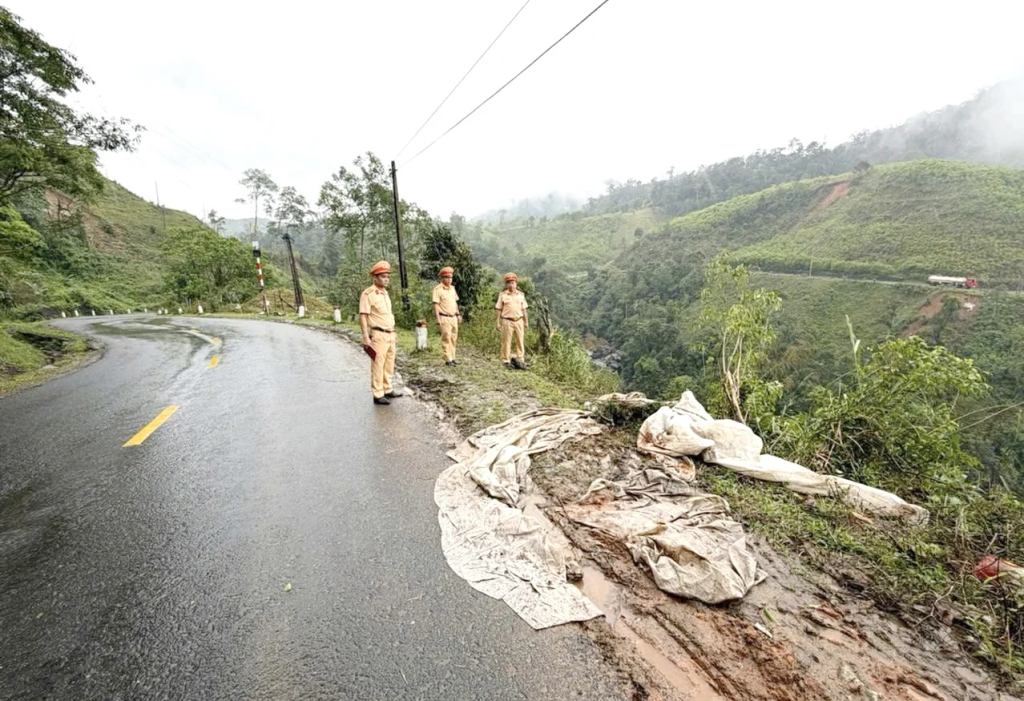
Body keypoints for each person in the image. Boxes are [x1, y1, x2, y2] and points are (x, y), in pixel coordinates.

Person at [359, 260, 400, 405]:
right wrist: (365, 336)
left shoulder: (385, 293)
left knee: (389, 363)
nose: (386, 279)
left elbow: (387, 315)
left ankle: (387, 388)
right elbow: (363, 315)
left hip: (389, 334)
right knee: (378, 364)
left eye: (387, 277)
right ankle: (378, 393)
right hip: (378, 334)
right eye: (383, 276)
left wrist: (393, 331)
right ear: (375, 277)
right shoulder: (368, 294)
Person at [495, 272, 528, 369]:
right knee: (506, 341)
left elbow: (524, 309)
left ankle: (520, 359)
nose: (511, 285)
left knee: (520, 341)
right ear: (506, 284)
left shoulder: (521, 295)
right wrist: (497, 322)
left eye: (513, 283)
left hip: (519, 320)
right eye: (509, 283)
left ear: (516, 283)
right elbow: (498, 309)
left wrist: (526, 321)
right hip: (507, 321)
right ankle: (506, 360)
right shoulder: (502, 295)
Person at [432, 266, 461, 366]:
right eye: (447, 277)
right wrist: (437, 318)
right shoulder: (437, 289)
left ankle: (453, 357)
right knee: (446, 337)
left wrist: (458, 314)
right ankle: (448, 358)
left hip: (453, 317)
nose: (449, 279)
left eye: (451, 277)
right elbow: (436, 304)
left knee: (453, 338)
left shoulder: (452, 288)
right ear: (442, 278)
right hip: (444, 317)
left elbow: (455, 303)